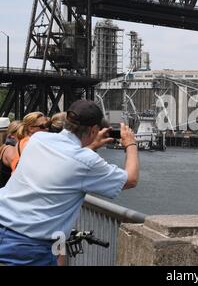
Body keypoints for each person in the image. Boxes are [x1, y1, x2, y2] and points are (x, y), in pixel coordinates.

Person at [0, 99, 139, 266]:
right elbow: (130, 180)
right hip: (28, 246)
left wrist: (91, 144)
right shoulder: (86, 161)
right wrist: (130, 143)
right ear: (94, 129)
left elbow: (65, 162)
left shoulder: (38, 139)